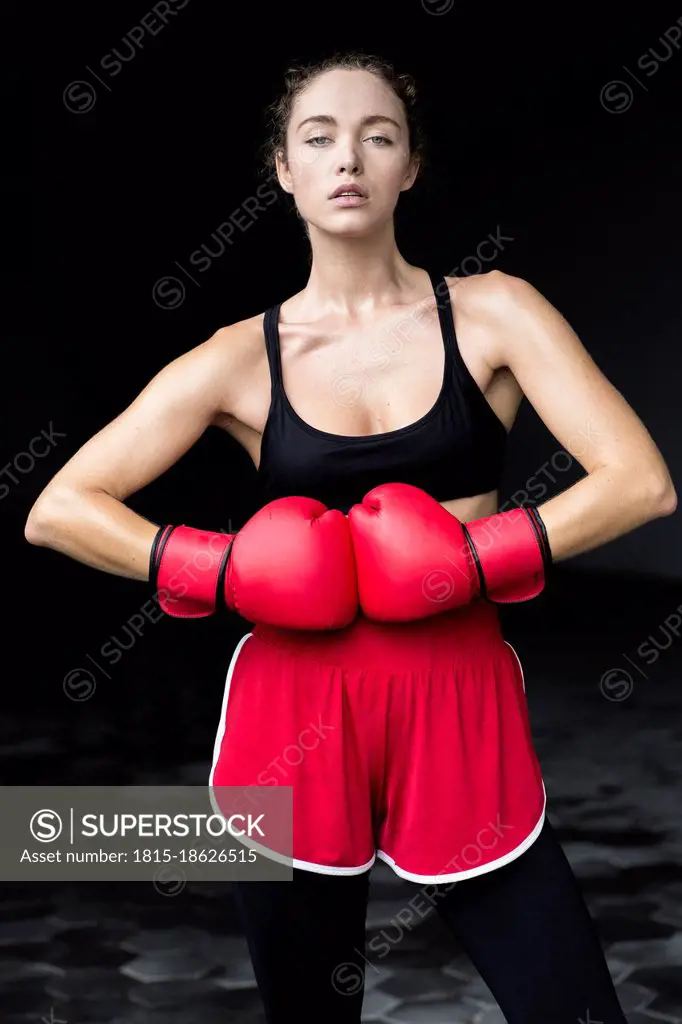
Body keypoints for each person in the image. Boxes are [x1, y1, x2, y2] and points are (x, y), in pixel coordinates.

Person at [25, 51, 676, 1024]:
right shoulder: (239, 356)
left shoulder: (495, 311)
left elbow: (642, 482)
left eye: (378, 135)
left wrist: (471, 557)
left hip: (457, 714)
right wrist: (226, 565)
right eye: (318, 137)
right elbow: (59, 507)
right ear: (282, 170)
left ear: (409, 165)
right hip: (289, 735)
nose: (349, 159)